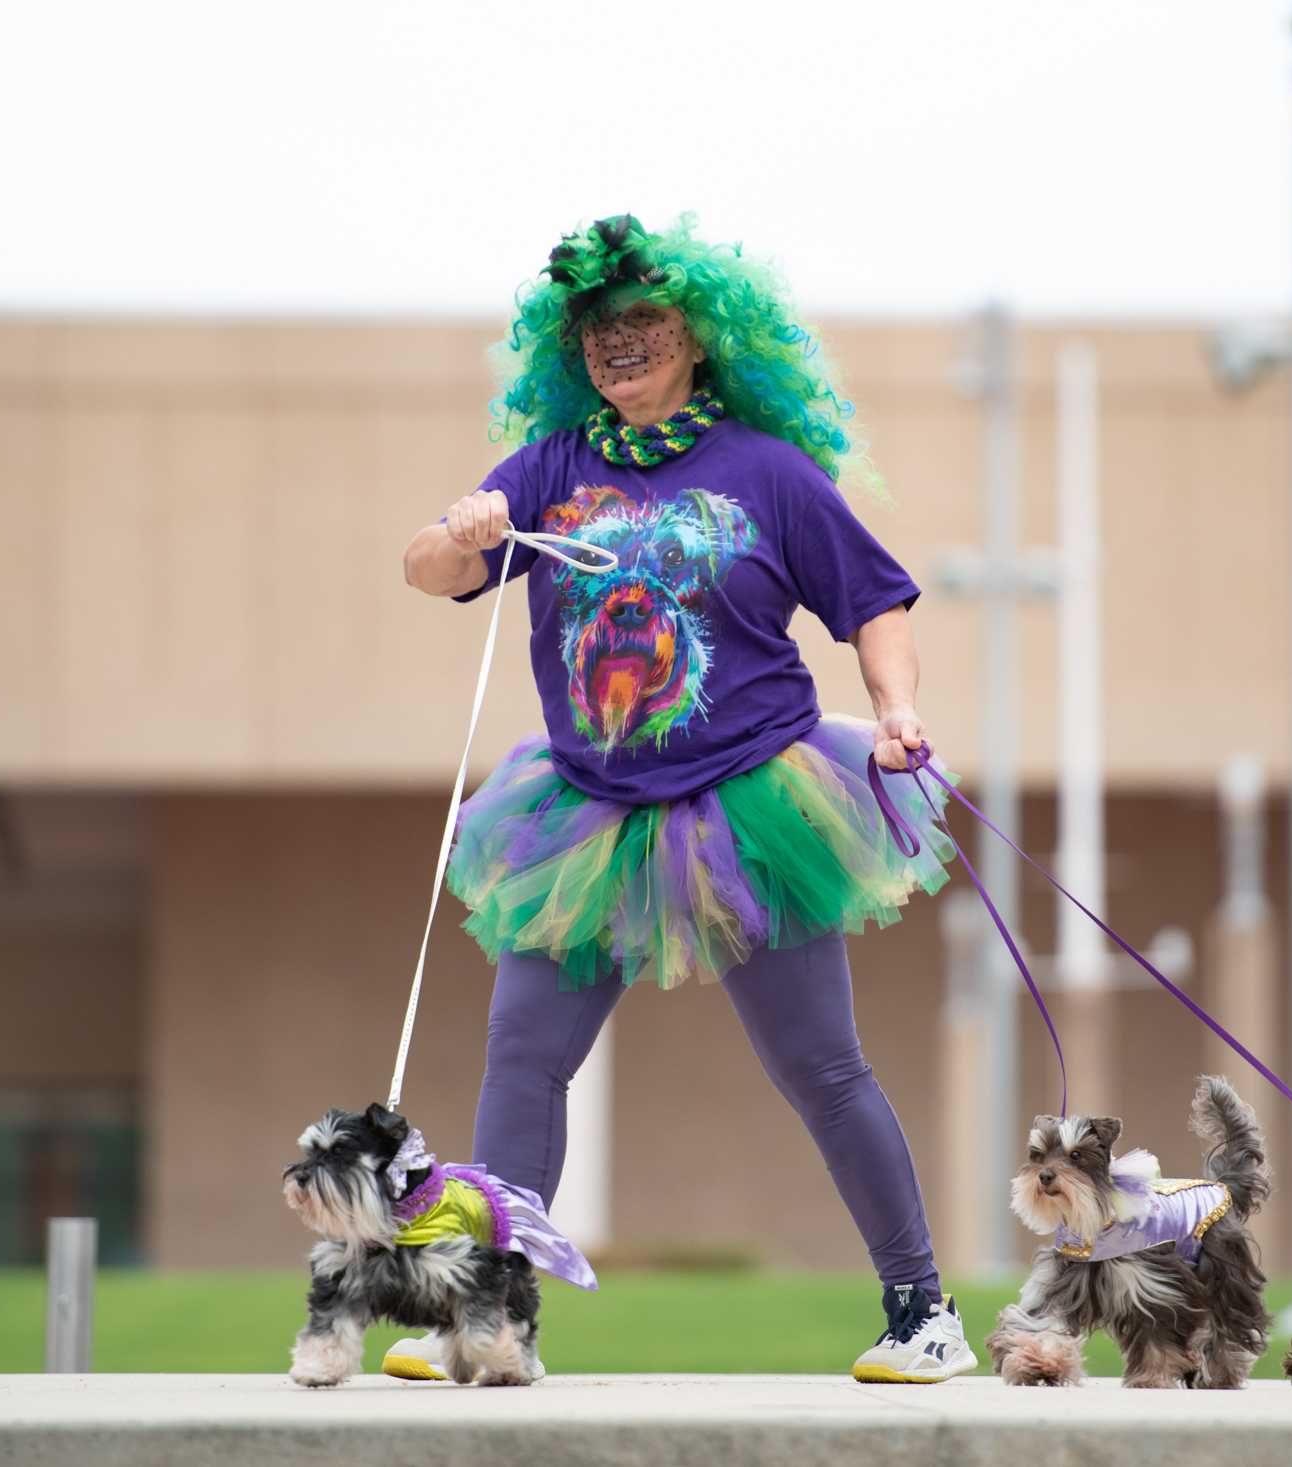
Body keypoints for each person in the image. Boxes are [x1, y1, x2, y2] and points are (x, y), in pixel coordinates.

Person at [397, 214, 970, 1383]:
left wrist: (896, 707)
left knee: (819, 1066)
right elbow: (429, 570)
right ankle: (493, 1319)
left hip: (752, 804)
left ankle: (923, 1312)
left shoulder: (767, 472)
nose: (622, 345)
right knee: (522, 1057)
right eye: (601, 331)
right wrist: (460, 532)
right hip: (586, 812)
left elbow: (874, 601)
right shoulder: (553, 466)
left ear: (701, 340)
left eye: (646, 325)